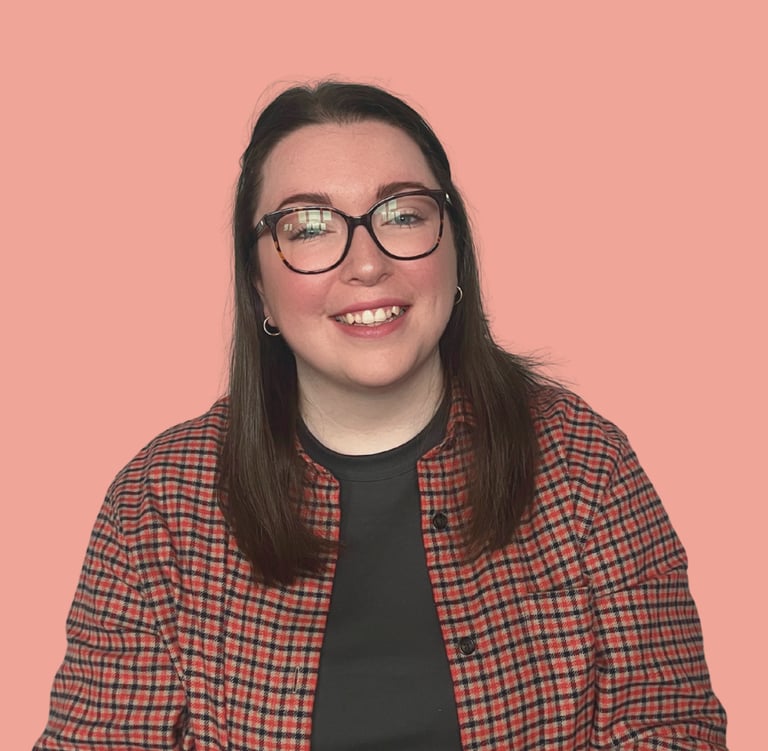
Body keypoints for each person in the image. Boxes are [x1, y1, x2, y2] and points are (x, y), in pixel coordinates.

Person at [35, 82, 727, 750]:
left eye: (402, 214)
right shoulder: (159, 501)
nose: (366, 264)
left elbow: (672, 728)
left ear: (455, 249)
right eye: (308, 227)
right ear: (259, 288)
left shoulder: (583, 463)